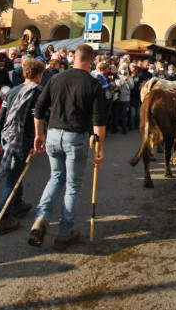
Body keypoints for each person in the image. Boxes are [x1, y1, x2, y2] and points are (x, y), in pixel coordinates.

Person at [28, 44, 105, 251]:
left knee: (55, 178)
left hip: (53, 134)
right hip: (76, 137)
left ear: (73, 58)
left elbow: (39, 109)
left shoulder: (56, 78)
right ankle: (64, 232)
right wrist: (100, 149)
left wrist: (39, 134)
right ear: (91, 61)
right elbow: (98, 122)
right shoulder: (94, 84)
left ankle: (41, 217)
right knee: (73, 185)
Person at [0, 58, 46, 234]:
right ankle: (3, 215)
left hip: (8, 135)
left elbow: (2, 115)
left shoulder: (13, 90)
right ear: (39, 74)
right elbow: (33, 119)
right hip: (23, 137)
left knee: (17, 169)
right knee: (13, 176)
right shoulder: (37, 92)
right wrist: (33, 142)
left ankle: (17, 202)